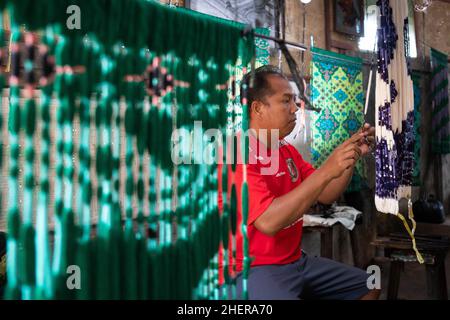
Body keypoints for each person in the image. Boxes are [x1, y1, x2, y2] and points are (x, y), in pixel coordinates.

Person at [225, 65, 379, 300]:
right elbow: (268, 222)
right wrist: (327, 170)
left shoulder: (285, 151)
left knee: (371, 284)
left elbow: (327, 194)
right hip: (253, 268)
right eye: (286, 101)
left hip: (296, 261)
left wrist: (350, 157)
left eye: (294, 101)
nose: (295, 108)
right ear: (257, 108)